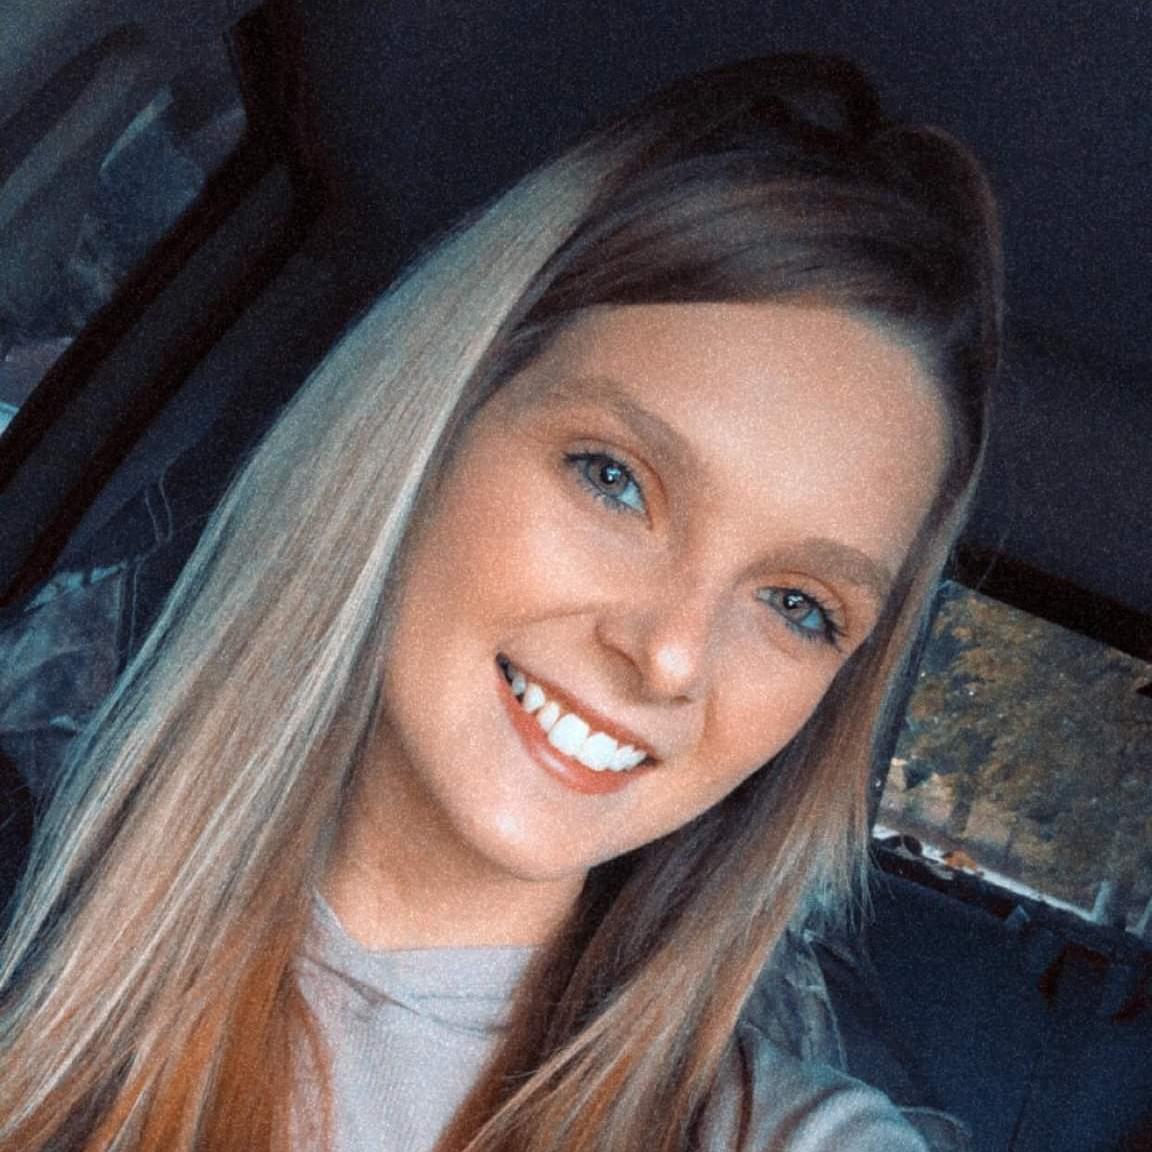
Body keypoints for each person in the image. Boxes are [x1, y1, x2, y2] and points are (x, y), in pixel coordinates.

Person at [0, 53, 1000, 1152]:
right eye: (615, 478)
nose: (671, 654)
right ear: (431, 423)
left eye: (798, 605)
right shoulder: (29, 893)